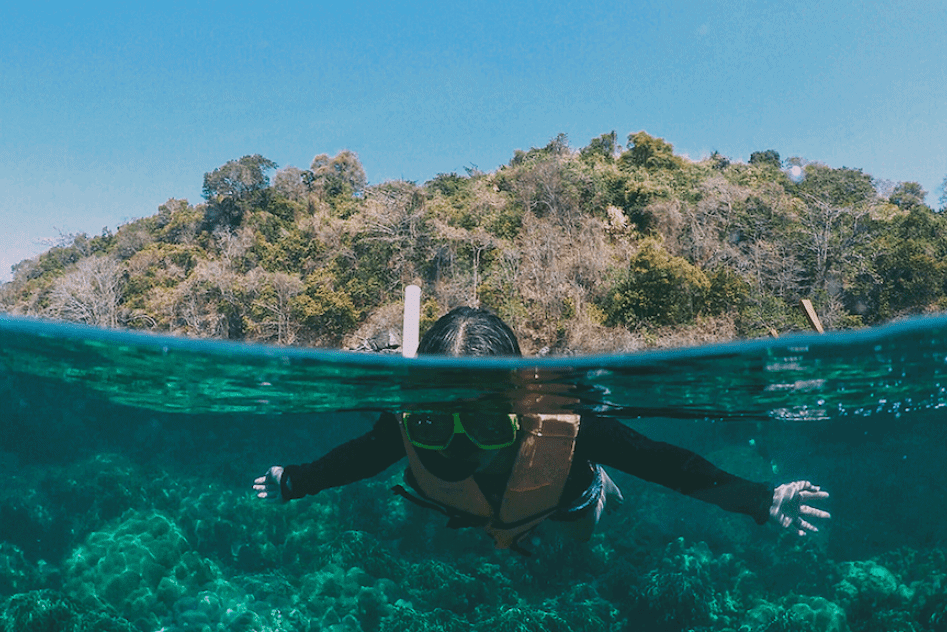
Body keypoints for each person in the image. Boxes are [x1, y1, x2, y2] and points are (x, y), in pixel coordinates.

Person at [254, 307, 830, 554]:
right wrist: (295, 481)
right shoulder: (405, 419)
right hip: (477, 512)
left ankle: (599, 488)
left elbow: (663, 463)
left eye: (484, 423)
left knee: (579, 531)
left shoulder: (566, 425)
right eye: (434, 423)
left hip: (564, 500)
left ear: (520, 405)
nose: (460, 445)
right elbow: (355, 458)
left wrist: (757, 498)